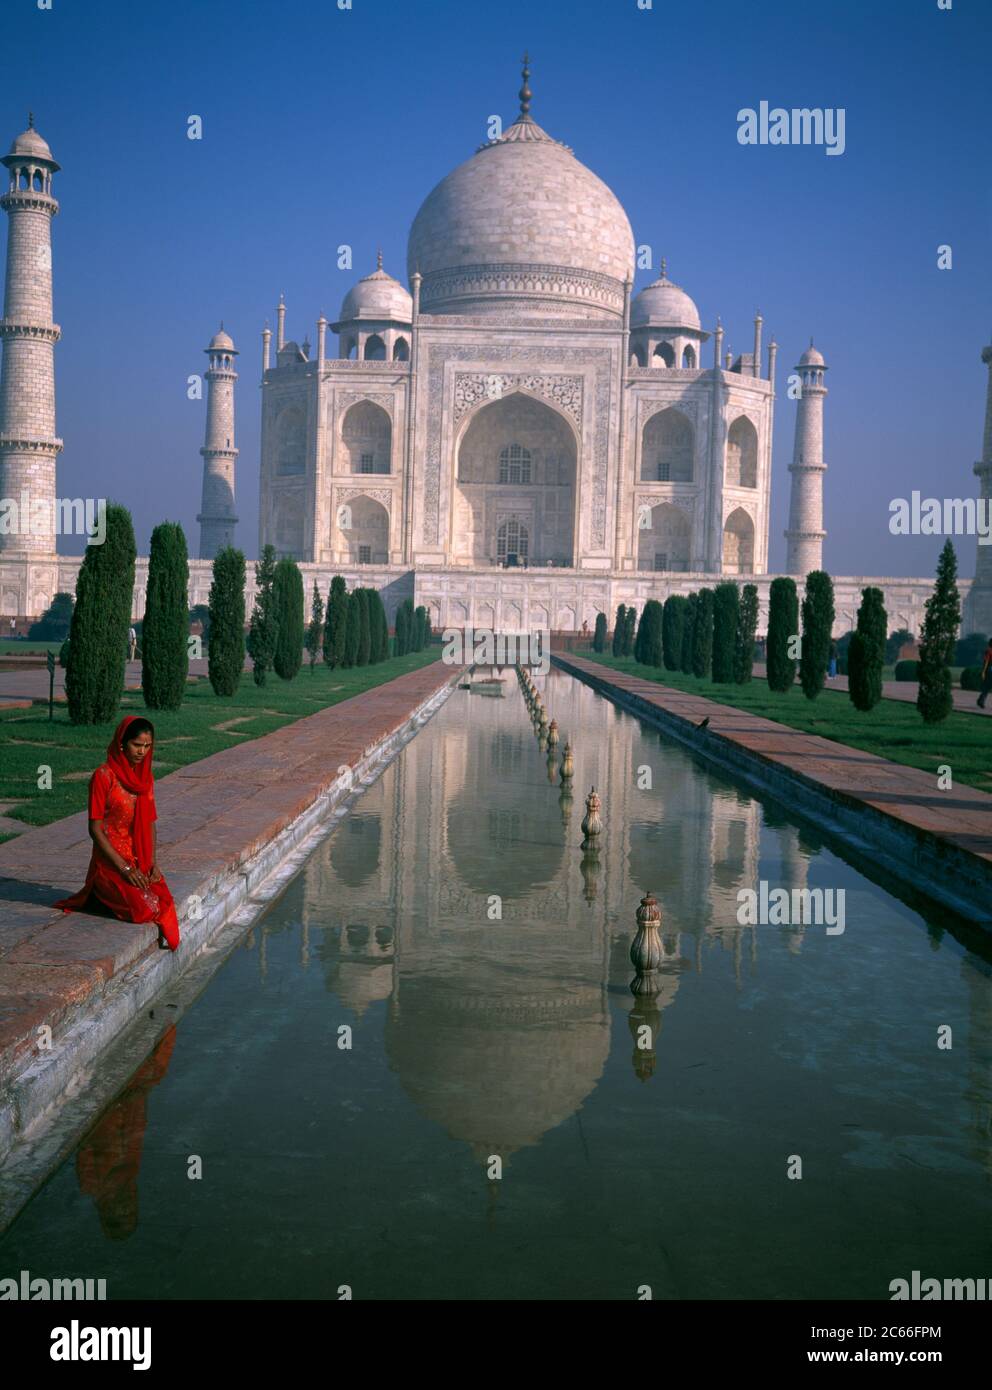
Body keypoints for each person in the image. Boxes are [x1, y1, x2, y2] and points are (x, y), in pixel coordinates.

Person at [54, 716, 180, 950]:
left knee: (162, 901)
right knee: (144, 910)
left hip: (138, 859)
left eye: (147, 746)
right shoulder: (104, 776)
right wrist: (124, 868)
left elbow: (150, 822)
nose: (142, 751)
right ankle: (99, 894)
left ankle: (106, 897)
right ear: (122, 743)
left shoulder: (145, 780)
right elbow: (94, 828)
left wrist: (152, 863)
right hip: (111, 862)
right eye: (137, 744)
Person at [977, 639, 992, 709]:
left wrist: (983, 671)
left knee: (987, 687)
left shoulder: (988, 650)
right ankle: (981, 701)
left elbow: (986, 661)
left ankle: (981, 700)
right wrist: (983, 671)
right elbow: (986, 661)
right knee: (987, 687)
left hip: (989, 670)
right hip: (989, 670)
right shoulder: (989, 651)